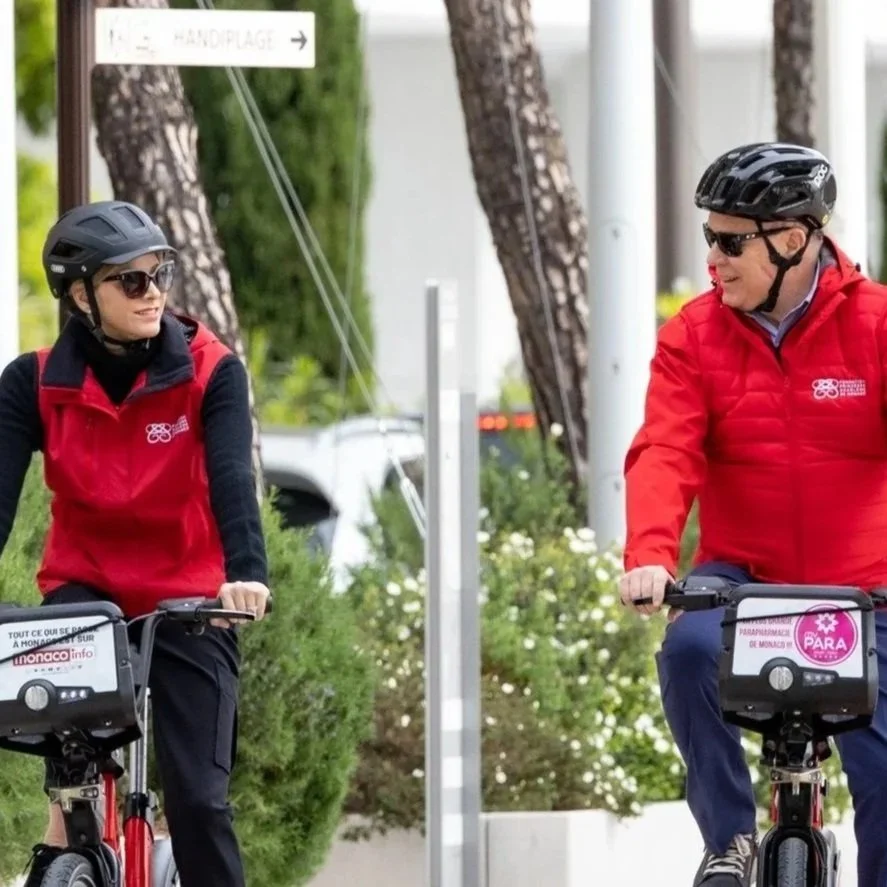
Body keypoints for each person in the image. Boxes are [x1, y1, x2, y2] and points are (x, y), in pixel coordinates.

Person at [618, 142, 887, 887]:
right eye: (708, 237)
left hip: (867, 592)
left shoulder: (876, 326)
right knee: (686, 652)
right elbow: (663, 450)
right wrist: (648, 553)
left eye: (730, 241)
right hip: (745, 585)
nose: (713, 258)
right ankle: (729, 838)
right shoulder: (691, 335)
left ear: (792, 238)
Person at [0, 200, 270, 887]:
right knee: (72, 783)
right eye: (132, 280)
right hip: (84, 597)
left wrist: (246, 574)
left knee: (201, 802)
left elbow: (233, 478)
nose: (153, 294)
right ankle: (71, 856)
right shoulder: (33, 384)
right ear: (81, 294)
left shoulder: (212, 372)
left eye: (160, 274)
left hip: (190, 598)